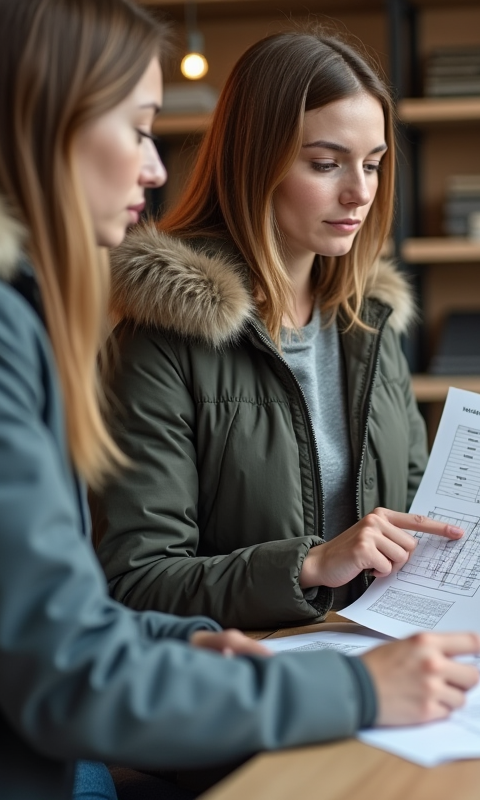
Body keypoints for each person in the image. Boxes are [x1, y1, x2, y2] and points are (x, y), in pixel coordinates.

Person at [0, 2, 480, 799]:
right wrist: (360, 688)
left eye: (373, 164)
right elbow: (69, 660)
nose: (157, 169)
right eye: (138, 128)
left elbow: (54, 612)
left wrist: (188, 641)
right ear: (47, 123)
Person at [93, 31, 447, 628]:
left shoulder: (370, 322)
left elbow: (414, 517)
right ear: (257, 162)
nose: (359, 192)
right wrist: (309, 564)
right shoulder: (162, 339)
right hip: (248, 680)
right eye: (326, 164)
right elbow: (135, 580)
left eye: (373, 164)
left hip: (383, 659)